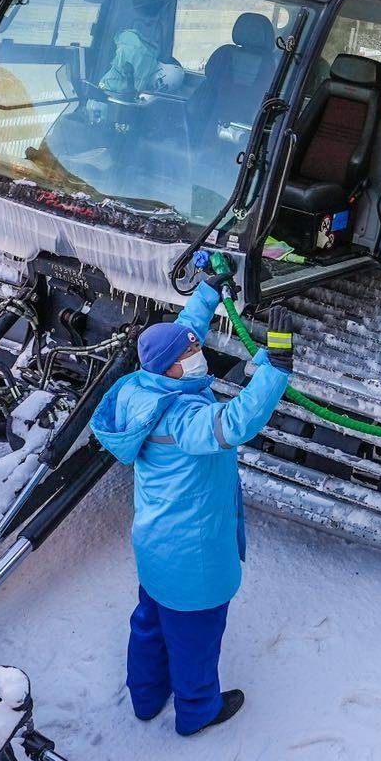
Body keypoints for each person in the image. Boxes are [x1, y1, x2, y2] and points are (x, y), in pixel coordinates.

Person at [89, 297, 297, 735]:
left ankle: (145, 698)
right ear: (171, 369)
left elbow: (182, 333)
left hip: (156, 546)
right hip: (193, 556)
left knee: (150, 623)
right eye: (189, 355)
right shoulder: (183, 417)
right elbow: (234, 423)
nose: (197, 355)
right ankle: (198, 710)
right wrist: (276, 368)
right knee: (195, 639)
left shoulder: (141, 390)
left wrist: (207, 292)